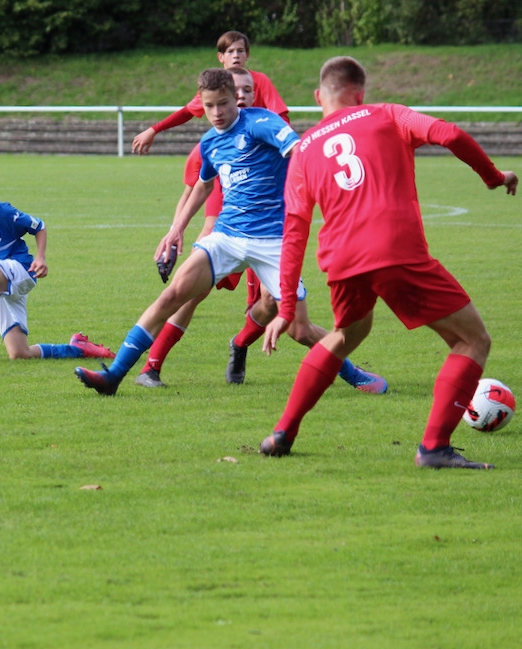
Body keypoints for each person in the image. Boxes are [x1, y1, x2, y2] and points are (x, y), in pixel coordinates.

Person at [258, 56, 517, 469]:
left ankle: (282, 433)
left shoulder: (303, 149)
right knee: (472, 340)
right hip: (394, 250)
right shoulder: (388, 114)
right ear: (360, 93)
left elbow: (294, 231)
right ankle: (434, 448)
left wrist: (286, 309)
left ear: (317, 96)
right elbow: (449, 134)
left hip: (342, 260)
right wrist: (492, 176)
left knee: (347, 333)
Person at [74, 68, 379, 397]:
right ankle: (114, 377)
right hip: (227, 237)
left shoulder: (262, 123)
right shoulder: (209, 143)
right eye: (209, 106)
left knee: (299, 329)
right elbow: (204, 185)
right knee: (172, 295)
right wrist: (176, 229)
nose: (216, 113)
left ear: (235, 98)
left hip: (273, 242)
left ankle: (354, 373)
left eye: (223, 104)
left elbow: (300, 152)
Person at [0, 167, 116, 363]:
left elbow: (39, 226)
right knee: (20, 353)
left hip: (20, 269)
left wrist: (40, 257)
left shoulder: (3, 212)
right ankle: (77, 348)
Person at [131, 30, 289, 156]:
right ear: (220, 57)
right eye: (230, 51)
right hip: (226, 143)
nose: (236, 55)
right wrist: (154, 129)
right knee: (196, 161)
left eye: (240, 51)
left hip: (256, 146)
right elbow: (187, 112)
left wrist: (286, 143)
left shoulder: (260, 80)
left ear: (247, 55)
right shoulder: (215, 84)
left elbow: (281, 115)